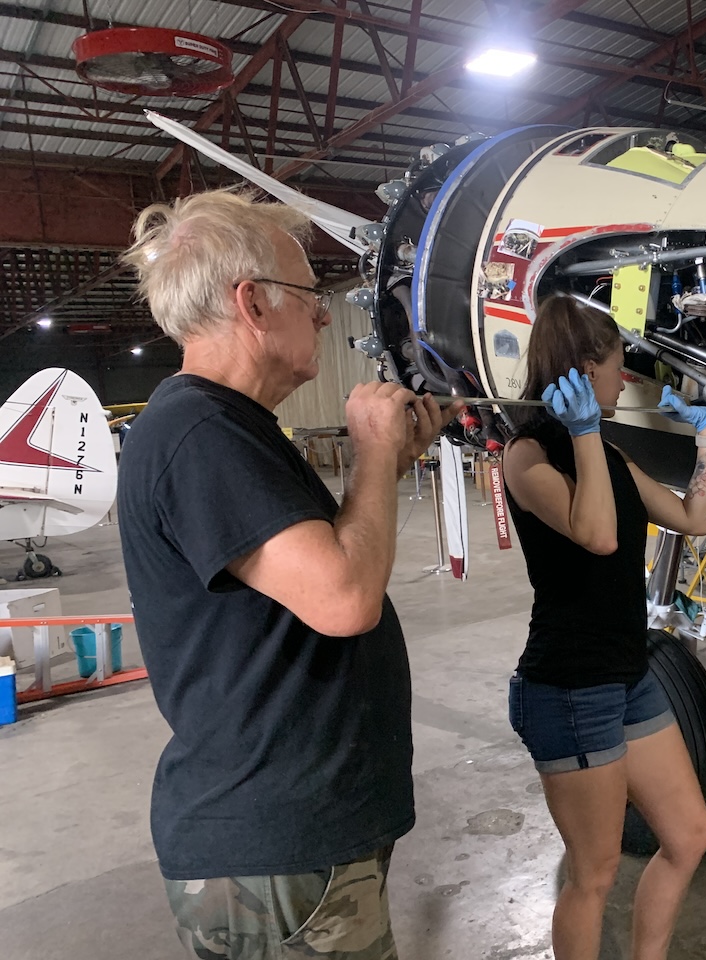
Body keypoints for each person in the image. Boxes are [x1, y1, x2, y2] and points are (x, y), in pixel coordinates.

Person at [117, 187, 460, 960]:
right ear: (253, 304)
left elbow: (310, 570)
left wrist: (386, 464)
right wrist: (372, 451)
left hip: (301, 839)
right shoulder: (200, 432)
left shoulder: (229, 429)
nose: (324, 314)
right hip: (275, 851)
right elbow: (343, 598)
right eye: (310, 294)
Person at [501, 294, 706, 960]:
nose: (622, 379)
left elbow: (691, 518)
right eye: (615, 364)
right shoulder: (527, 457)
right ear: (580, 369)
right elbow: (596, 534)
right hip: (568, 688)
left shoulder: (612, 456)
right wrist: (585, 435)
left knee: (688, 834)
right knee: (594, 873)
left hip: (626, 675)